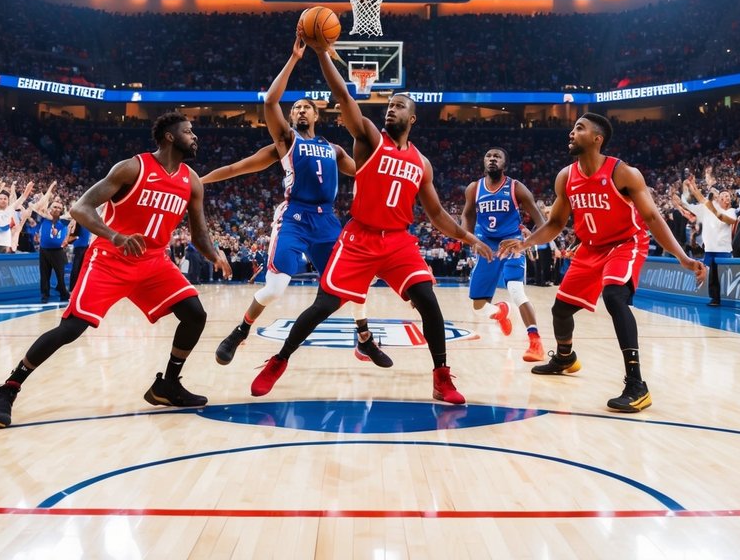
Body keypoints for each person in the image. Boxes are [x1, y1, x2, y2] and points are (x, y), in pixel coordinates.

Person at [249, 34, 495, 406]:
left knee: (429, 302)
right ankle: (278, 361)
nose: (390, 110)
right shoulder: (368, 139)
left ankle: (441, 377)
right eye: (389, 105)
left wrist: (471, 239)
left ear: (411, 118)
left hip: (398, 242)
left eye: (398, 106)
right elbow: (346, 97)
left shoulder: (422, 163)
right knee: (322, 307)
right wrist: (320, 54)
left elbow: (437, 214)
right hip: (359, 238)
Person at [0, 112, 231, 427]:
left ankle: (167, 384)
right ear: (169, 136)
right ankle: (8, 388)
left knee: (195, 314)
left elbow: (199, 233)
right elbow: (80, 207)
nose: (195, 136)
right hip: (111, 258)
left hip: (153, 261)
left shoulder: (192, 180)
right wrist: (115, 235)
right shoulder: (132, 168)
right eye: (188, 131)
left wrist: (215, 254)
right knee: (70, 329)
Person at [499, 114, 706, 413]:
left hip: (626, 243)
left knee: (614, 296)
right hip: (590, 249)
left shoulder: (624, 173)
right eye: (572, 128)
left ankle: (636, 384)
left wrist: (682, 257)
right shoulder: (565, 177)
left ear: (597, 138)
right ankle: (566, 357)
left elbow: (651, 218)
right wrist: (526, 242)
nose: (571, 132)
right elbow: (556, 222)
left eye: (579, 128)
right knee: (560, 310)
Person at [201, 41, 361, 366]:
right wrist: (294, 58)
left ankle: (365, 338)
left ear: (317, 114)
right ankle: (241, 330)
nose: (301, 110)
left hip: (328, 222)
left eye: (306, 107)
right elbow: (267, 108)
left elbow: (365, 175)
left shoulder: (335, 150)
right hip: (294, 219)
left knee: (349, 283)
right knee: (275, 289)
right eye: (296, 108)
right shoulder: (287, 141)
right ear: (290, 117)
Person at [459, 146, 548, 361]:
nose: (492, 159)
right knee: (479, 306)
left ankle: (535, 341)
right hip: (487, 246)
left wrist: (526, 243)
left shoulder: (516, 188)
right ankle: (500, 312)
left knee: (516, 291)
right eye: (488, 156)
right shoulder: (474, 188)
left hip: (511, 243)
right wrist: (469, 237)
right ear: (483, 162)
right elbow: (467, 215)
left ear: (504, 164)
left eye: (497, 157)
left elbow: (542, 221)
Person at [680, 172, 735, 307]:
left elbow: (728, 219)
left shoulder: (731, 211)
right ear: (718, 199)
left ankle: (728, 299)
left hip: (723, 249)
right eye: (722, 196)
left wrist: (714, 210)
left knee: (722, 276)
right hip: (710, 249)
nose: (725, 197)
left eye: (727, 195)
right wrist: (692, 185)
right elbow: (699, 197)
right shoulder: (709, 208)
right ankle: (714, 299)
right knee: (711, 277)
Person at [27, 191, 71, 304]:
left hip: (58, 251)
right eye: (54, 207)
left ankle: (63, 293)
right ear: (50, 208)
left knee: (60, 274)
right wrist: (47, 193)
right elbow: (35, 207)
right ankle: (45, 295)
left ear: (61, 210)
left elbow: (70, 219)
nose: (56, 209)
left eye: (59, 207)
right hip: (44, 250)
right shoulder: (44, 217)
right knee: (44, 274)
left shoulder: (64, 219)